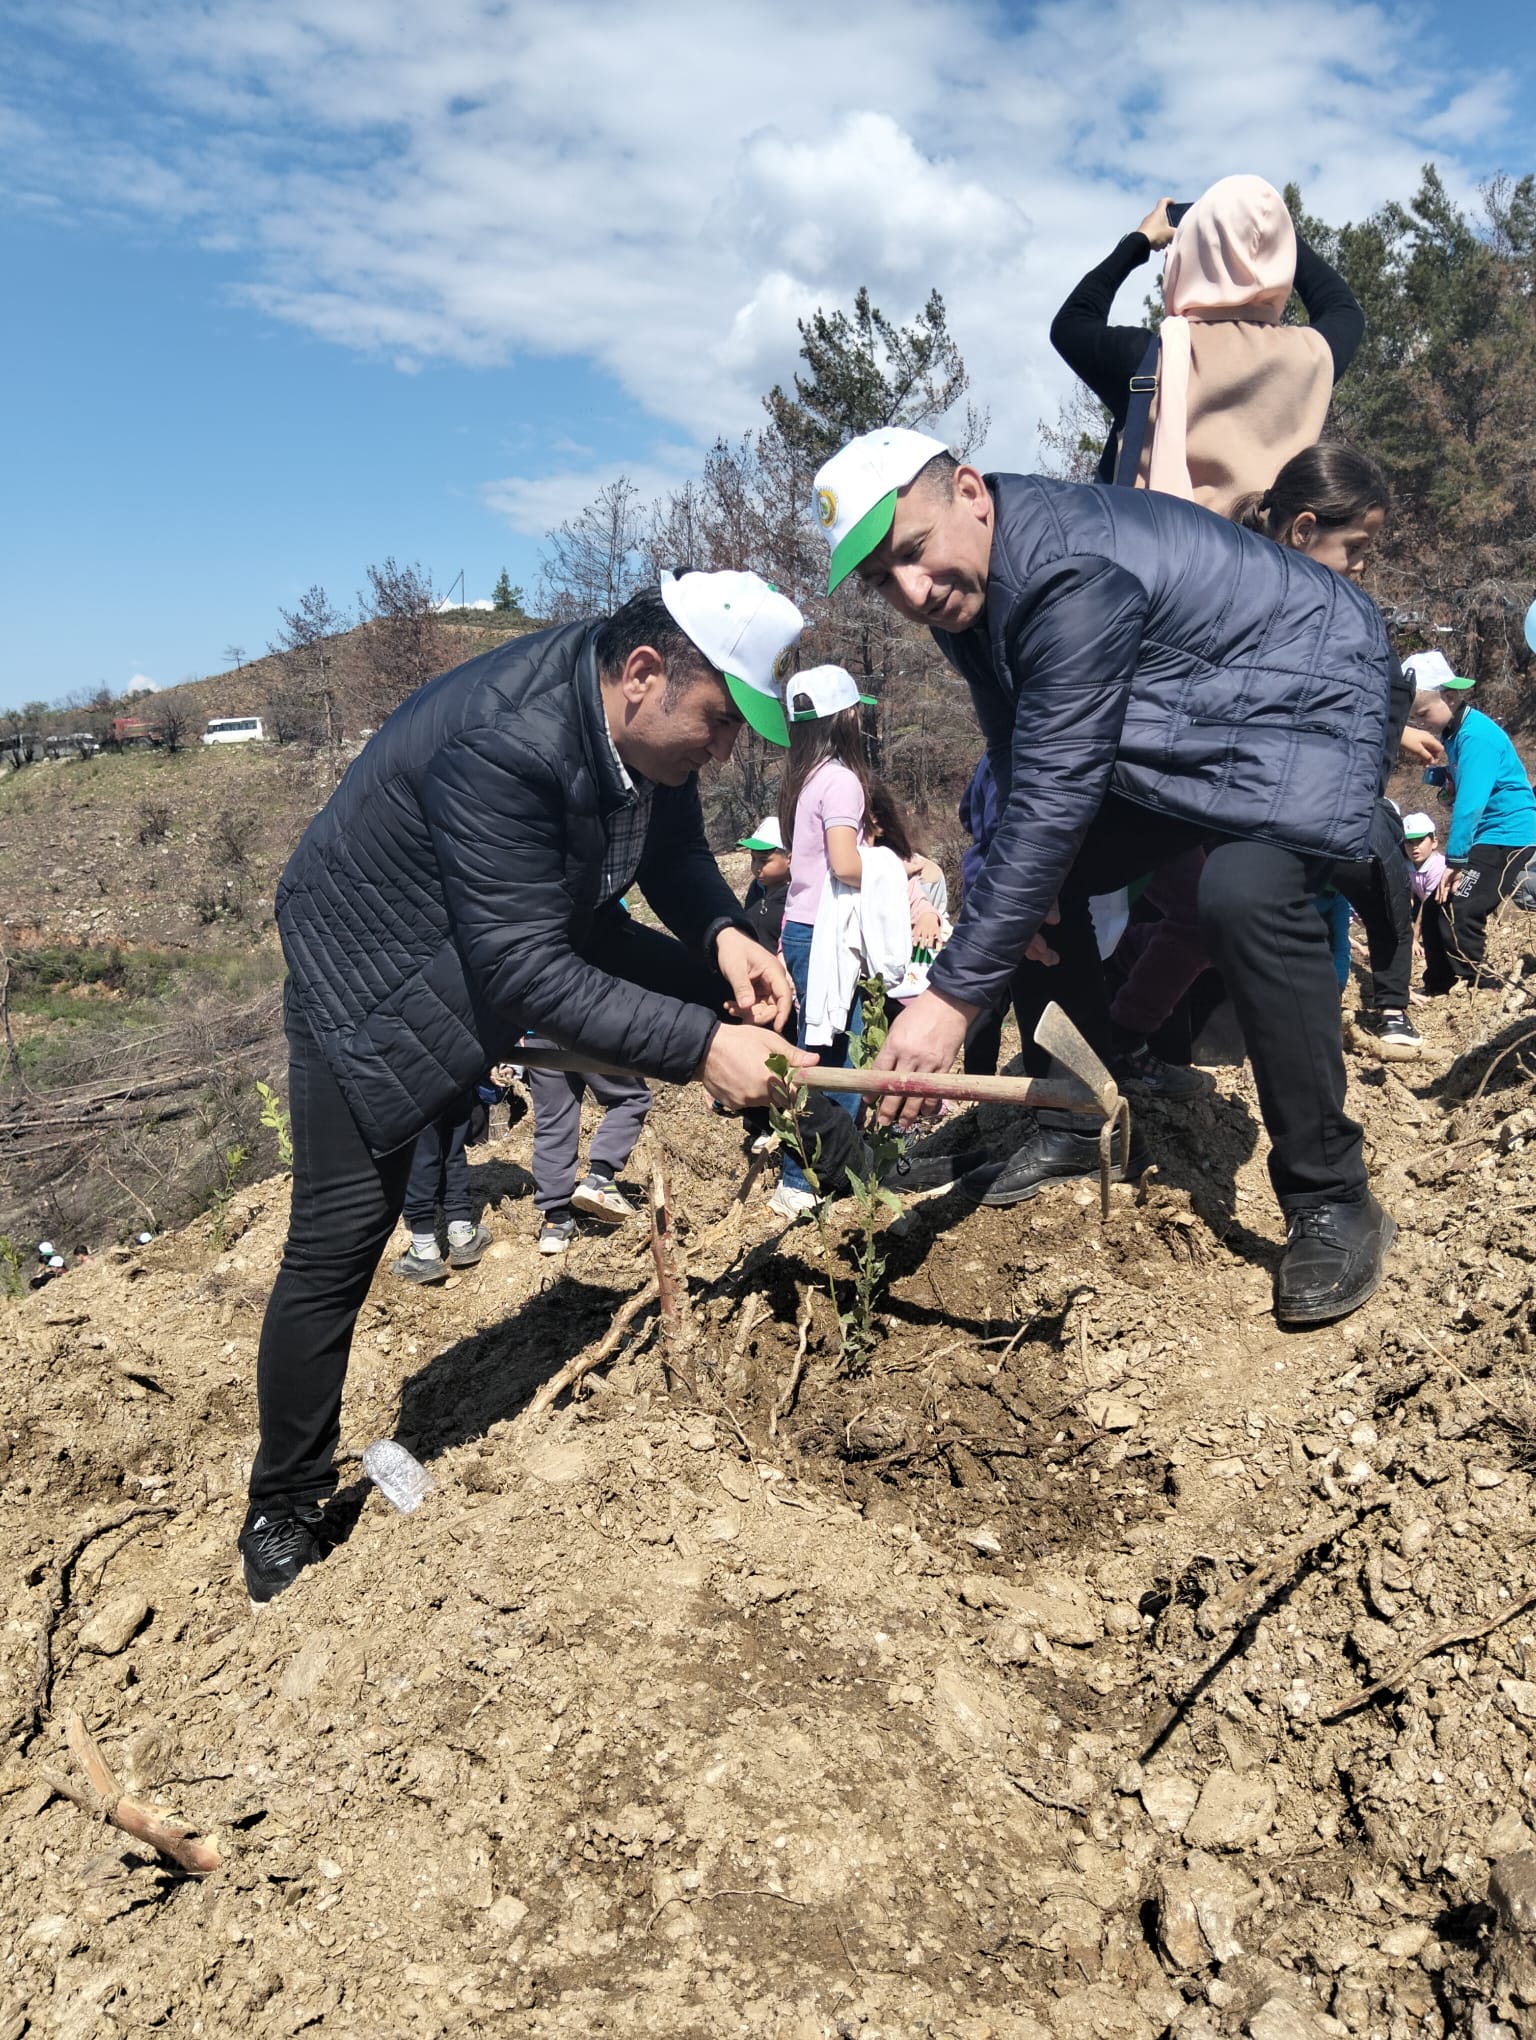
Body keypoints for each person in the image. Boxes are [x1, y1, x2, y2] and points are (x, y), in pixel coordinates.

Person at [240, 570, 859, 1606]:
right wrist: (701, 1047)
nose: (724, 753)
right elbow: (524, 975)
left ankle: (842, 1160)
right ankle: (281, 1503)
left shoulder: (638, 721)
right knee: (340, 1238)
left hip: (519, 932)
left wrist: (721, 941)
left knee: (738, 999)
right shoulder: (505, 739)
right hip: (376, 983)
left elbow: (666, 849)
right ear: (644, 676)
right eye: (716, 726)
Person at [812, 426, 1397, 1326]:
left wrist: (952, 997)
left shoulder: (1065, 572)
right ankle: (1074, 1117)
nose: (911, 593)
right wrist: (1019, 878)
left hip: (1305, 699)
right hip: (1190, 724)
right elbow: (1017, 753)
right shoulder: (973, 592)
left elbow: (1058, 789)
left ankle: (1332, 1194)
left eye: (915, 554)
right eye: (882, 582)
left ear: (970, 490)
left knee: (1240, 894)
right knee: (1022, 871)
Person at [1104, 446, 1420, 1068]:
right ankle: (1129, 1044)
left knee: (1216, 922)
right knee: (1182, 920)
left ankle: (1149, 1045)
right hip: (1166, 801)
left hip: (1256, 823)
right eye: (1354, 547)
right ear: (1304, 530)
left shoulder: (1342, 623)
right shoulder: (1227, 589)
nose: (1360, 566)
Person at [1050, 177, 1363, 509]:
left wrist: (1139, 241)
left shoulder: (1147, 359)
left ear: (1187, 256)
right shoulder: (1308, 357)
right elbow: (1342, 307)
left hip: (1155, 555)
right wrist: (1270, 232)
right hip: (1266, 557)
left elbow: (1072, 321)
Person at [772, 663, 875, 1218]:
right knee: (835, 1059)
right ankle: (802, 1181)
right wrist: (890, 869)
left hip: (801, 930)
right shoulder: (841, 779)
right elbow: (844, 863)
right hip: (827, 936)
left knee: (813, 1052)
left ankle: (812, 1174)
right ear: (848, 716)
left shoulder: (804, 778)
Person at [1403, 653, 1536, 994]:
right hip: (1488, 834)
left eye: (1422, 714)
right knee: (1436, 905)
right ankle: (1439, 981)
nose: (1420, 724)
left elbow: (1472, 804)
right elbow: (1468, 786)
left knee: (1461, 904)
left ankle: (1482, 982)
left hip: (1510, 835)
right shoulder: (1455, 734)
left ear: (1449, 696)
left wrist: (1456, 859)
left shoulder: (1477, 736)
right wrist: (1444, 779)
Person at [525, 1051, 652, 1255]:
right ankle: (600, 1178)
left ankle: (555, 1223)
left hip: (538, 1034)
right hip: (585, 1027)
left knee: (553, 1123)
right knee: (631, 1097)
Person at [392, 1091, 492, 1283]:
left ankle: (423, 1249)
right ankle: (461, 1233)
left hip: (411, 1079)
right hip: (456, 1074)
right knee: (453, 1147)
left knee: (419, 1154)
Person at [737, 816, 791, 950]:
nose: (756, 867)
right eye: (753, 859)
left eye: (764, 860)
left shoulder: (794, 897)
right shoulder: (756, 888)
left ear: (789, 858)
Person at [1401, 811, 1447, 909]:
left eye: (1420, 840)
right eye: (1409, 842)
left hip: (1441, 910)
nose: (1414, 847)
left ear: (1434, 842)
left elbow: (1428, 906)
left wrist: (1417, 925)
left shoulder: (1438, 866)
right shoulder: (1407, 865)